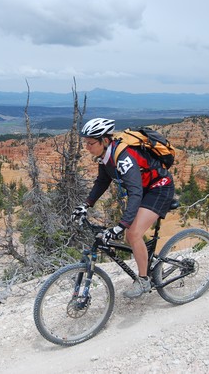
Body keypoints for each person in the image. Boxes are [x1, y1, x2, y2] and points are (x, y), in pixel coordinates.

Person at [72, 118, 175, 299]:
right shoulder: (105, 157)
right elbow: (102, 182)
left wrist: (122, 225)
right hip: (144, 189)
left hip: (160, 187)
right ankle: (147, 261)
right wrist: (85, 205)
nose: (86, 147)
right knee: (131, 236)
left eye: (90, 143)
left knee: (132, 234)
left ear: (104, 140)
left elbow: (135, 194)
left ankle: (143, 280)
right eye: (85, 143)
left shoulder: (123, 157)